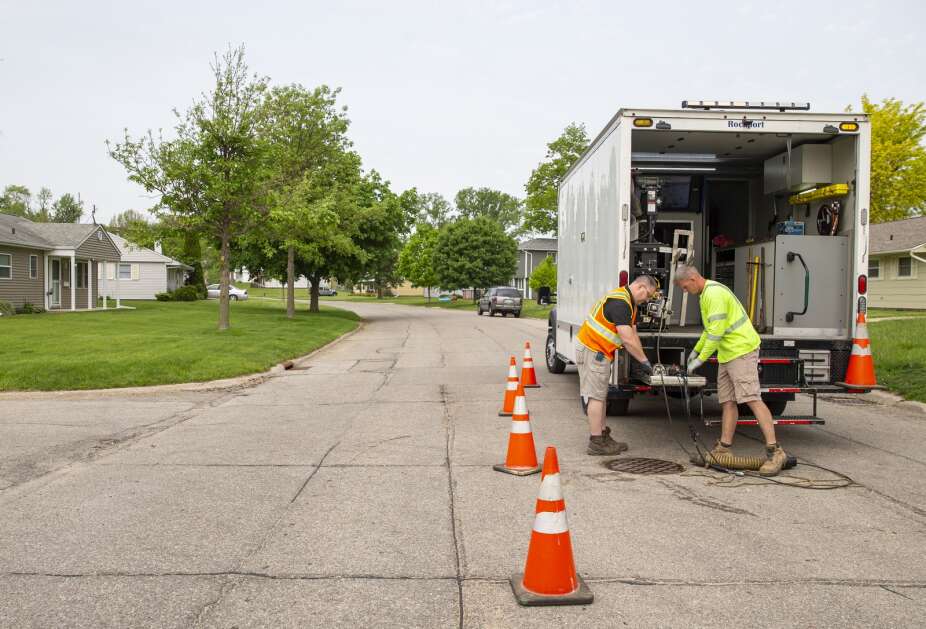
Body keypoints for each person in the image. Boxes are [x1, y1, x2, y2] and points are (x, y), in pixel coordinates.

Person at [673, 264, 787, 476]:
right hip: (728, 353)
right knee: (727, 401)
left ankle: (775, 451)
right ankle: (724, 448)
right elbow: (710, 330)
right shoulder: (705, 295)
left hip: (741, 351)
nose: (684, 291)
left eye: (684, 287)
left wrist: (700, 361)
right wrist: (695, 351)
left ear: (693, 278)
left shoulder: (713, 294)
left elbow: (716, 333)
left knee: (752, 398)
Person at [576, 275, 659, 455]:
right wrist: (644, 362)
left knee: (601, 395)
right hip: (593, 351)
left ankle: (602, 435)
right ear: (641, 287)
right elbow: (627, 339)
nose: (648, 300)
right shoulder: (620, 303)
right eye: (648, 295)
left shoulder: (630, 303)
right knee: (596, 396)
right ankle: (596, 442)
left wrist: (642, 360)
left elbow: (633, 334)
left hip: (599, 352)